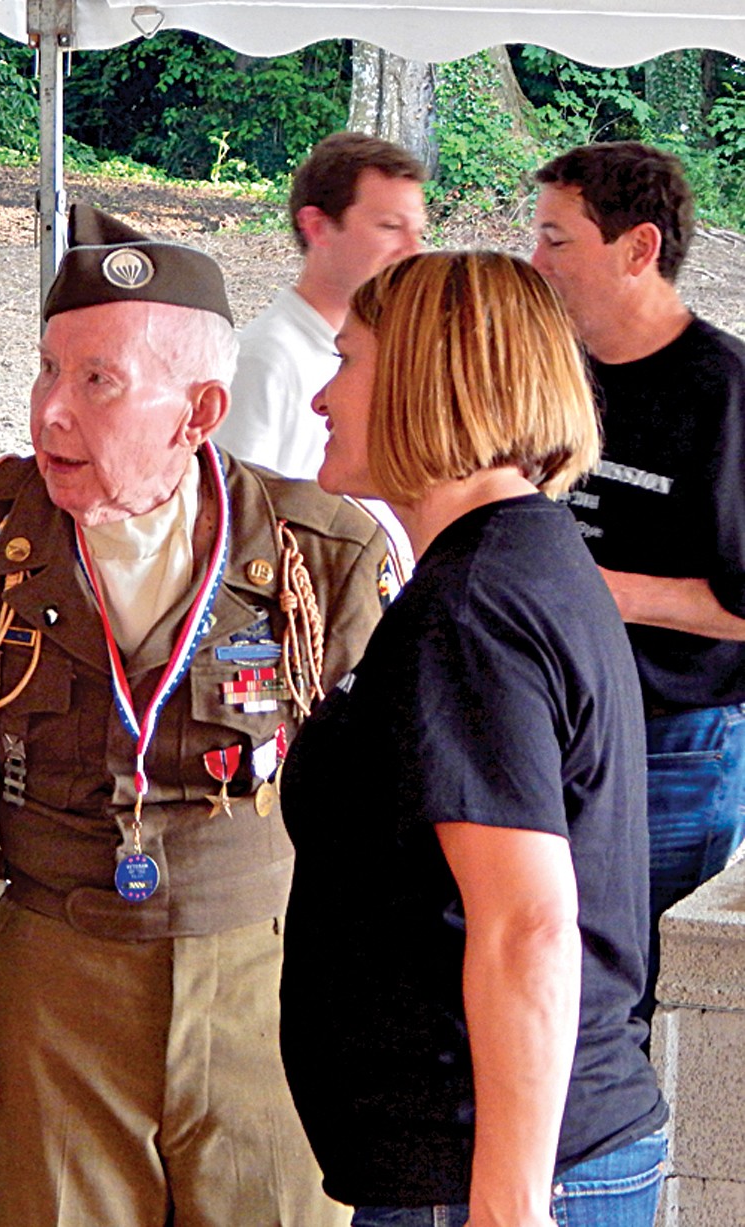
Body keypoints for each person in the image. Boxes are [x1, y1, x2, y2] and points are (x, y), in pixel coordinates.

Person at [0, 204, 391, 1227]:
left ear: (198, 415)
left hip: (270, 1000)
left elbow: (381, 833)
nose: (50, 412)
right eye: (48, 370)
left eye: (97, 382)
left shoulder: (321, 553)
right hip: (54, 996)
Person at [280, 251, 669, 1227]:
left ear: (427, 376)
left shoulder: (470, 611)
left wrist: (507, 1206)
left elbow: (526, 925)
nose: (323, 396)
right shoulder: (517, 562)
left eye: (351, 362)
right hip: (510, 1155)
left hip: (488, 1175)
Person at [532, 141, 745, 1019]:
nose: (534, 261)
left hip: (674, 749)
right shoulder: (552, 370)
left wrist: (606, 593)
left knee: (643, 1006)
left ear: (639, 247)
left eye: (556, 239)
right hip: (551, 731)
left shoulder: (723, 389)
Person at [213, 131, 426, 480]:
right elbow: (237, 514)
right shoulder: (264, 364)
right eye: (390, 227)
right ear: (318, 227)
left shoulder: (398, 355)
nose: (413, 251)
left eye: (418, 232)